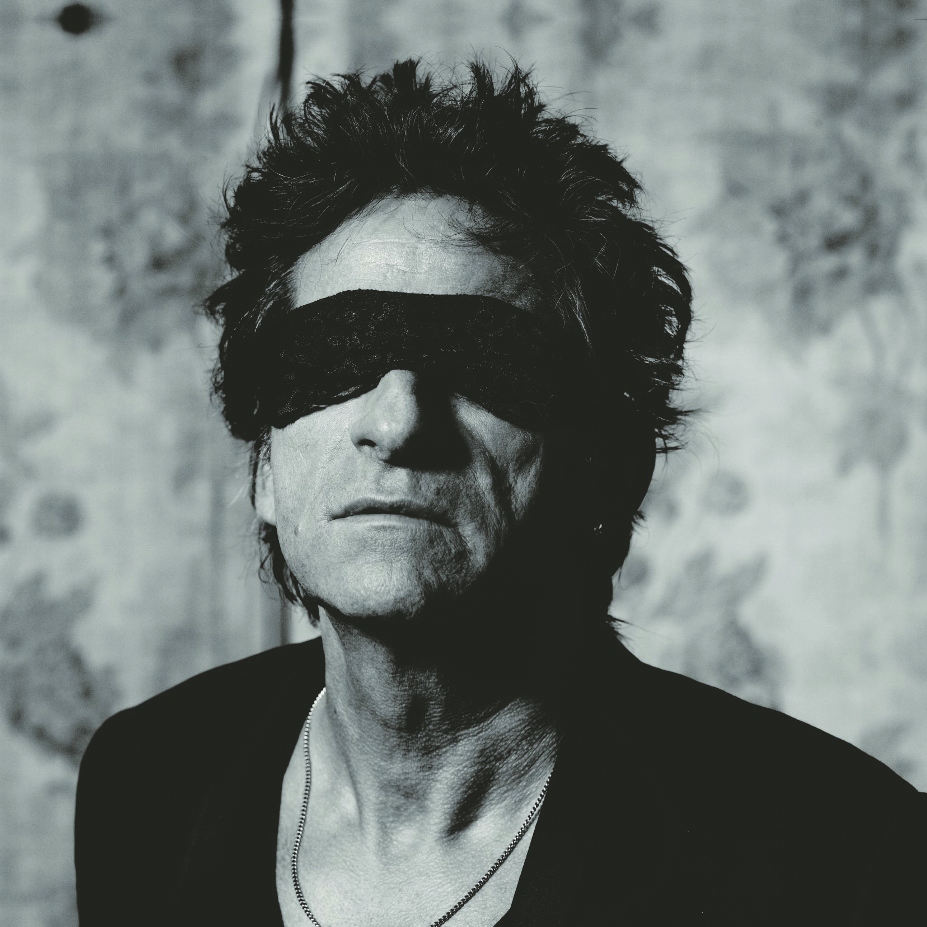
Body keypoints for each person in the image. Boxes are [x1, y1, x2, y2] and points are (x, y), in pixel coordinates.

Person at [74, 60, 925, 927]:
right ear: (264, 465)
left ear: (603, 466)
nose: (397, 421)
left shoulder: (838, 854)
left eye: (485, 360)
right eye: (336, 356)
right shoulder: (150, 779)